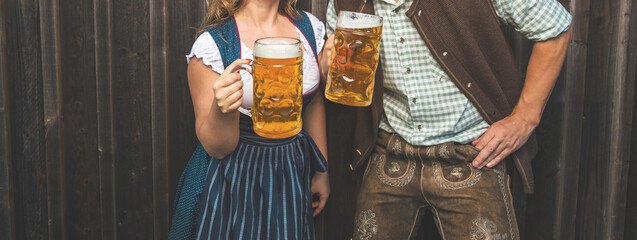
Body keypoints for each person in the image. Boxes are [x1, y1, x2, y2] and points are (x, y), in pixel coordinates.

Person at [320, 0, 572, 239]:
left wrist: (525, 117)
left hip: (472, 152)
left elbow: (555, 27)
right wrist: (326, 67)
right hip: (391, 149)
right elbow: (338, 79)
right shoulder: (344, 4)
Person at [168, 0, 330, 239]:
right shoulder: (213, 45)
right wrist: (223, 110)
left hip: (290, 171)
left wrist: (322, 171)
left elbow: (313, 102)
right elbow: (218, 148)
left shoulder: (309, 28)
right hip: (234, 178)